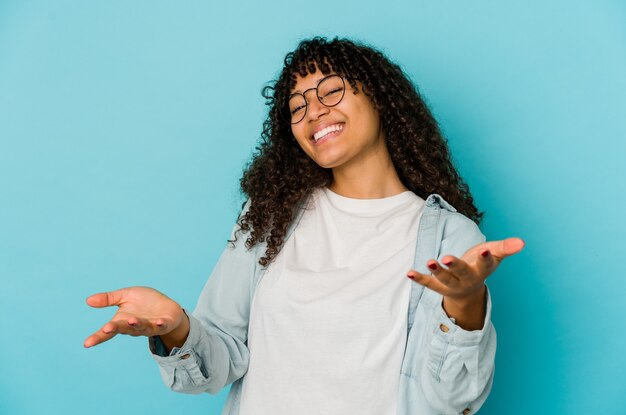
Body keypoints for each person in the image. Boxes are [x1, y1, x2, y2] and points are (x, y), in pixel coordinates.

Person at [84, 37, 524, 415]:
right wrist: (175, 327)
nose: (313, 111)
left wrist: (466, 304)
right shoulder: (268, 218)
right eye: (297, 106)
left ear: (381, 99)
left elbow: (454, 398)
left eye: (330, 91)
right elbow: (217, 361)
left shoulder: (451, 237)